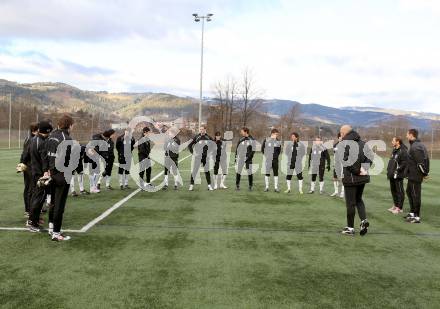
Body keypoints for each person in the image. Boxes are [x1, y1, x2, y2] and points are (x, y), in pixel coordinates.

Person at [46, 114, 75, 241]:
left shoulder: (51, 136)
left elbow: (45, 154)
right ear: (70, 125)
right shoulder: (66, 138)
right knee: (59, 204)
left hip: (51, 173)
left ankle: (51, 228)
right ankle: (56, 234)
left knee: (52, 202)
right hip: (62, 175)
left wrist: (46, 171)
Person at [339, 125, 372, 236]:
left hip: (351, 178)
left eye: (341, 132)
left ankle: (350, 228)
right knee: (358, 200)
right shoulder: (363, 143)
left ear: (344, 133)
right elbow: (370, 157)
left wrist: (357, 171)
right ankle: (363, 221)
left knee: (350, 204)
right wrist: (364, 169)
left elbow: (346, 161)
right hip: (362, 177)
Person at [27, 121, 53, 232]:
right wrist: (46, 173)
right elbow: (44, 160)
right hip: (40, 174)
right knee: (38, 198)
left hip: (33, 172)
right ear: (46, 131)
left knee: (35, 197)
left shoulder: (33, 140)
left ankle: (34, 220)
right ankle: (32, 223)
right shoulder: (42, 142)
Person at [405, 129, 429, 224]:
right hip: (412, 175)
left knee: (415, 195)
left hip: (415, 175)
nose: (406, 136)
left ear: (411, 135)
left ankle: (417, 217)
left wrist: (425, 173)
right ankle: (412, 213)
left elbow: (420, 163)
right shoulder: (416, 145)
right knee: (409, 192)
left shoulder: (416, 147)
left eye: (407, 134)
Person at [18, 122, 38, 217]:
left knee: (28, 188)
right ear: (34, 131)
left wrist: (21, 163)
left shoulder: (28, 138)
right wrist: (22, 163)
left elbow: (23, 154)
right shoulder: (31, 139)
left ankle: (29, 209)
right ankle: (29, 210)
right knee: (30, 189)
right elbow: (25, 154)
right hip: (30, 167)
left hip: (28, 166)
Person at [188, 125, 214, 191]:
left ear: (205, 130)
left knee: (207, 171)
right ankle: (191, 185)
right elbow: (190, 145)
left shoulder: (208, 137)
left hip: (206, 157)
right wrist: (193, 153)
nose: (201, 130)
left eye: (202, 129)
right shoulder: (197, 137)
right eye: (200, 129)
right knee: (194, 171)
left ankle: (209, 186)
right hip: (198, 157)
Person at [386, 137, 408, 214]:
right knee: (393, 190)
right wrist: (389, 171)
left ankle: (399, 208)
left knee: (400, 191)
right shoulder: (394, 150)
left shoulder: (403, 150)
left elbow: (404, 163)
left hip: (398, 175)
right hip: (392, 174)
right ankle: (395, 205)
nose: (392, 142)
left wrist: (397, 170)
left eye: (393, 141)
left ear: (398, 142)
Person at [235, 127, 255, 191]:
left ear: (246, 132)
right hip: (240, 158)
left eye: (242, 131)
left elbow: (253, 150)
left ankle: (250, 186)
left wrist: (248, 157)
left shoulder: (252, 139)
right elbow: (237, 149)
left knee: (249, 172)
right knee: (238, 172)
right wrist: (236, 158)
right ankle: (237, 185)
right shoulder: (241, 139)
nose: (241, 133)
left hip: (248, 159)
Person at [330, 133, 345, 198]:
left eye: (342, 137)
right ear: (338, 138)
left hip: (343, 164)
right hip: (336, 164)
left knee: (342, 178)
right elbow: (335, 155)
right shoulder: (335, 145)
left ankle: (342, 192)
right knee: (334, 178)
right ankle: (336, 191)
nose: (341, 138)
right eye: (340, 137)